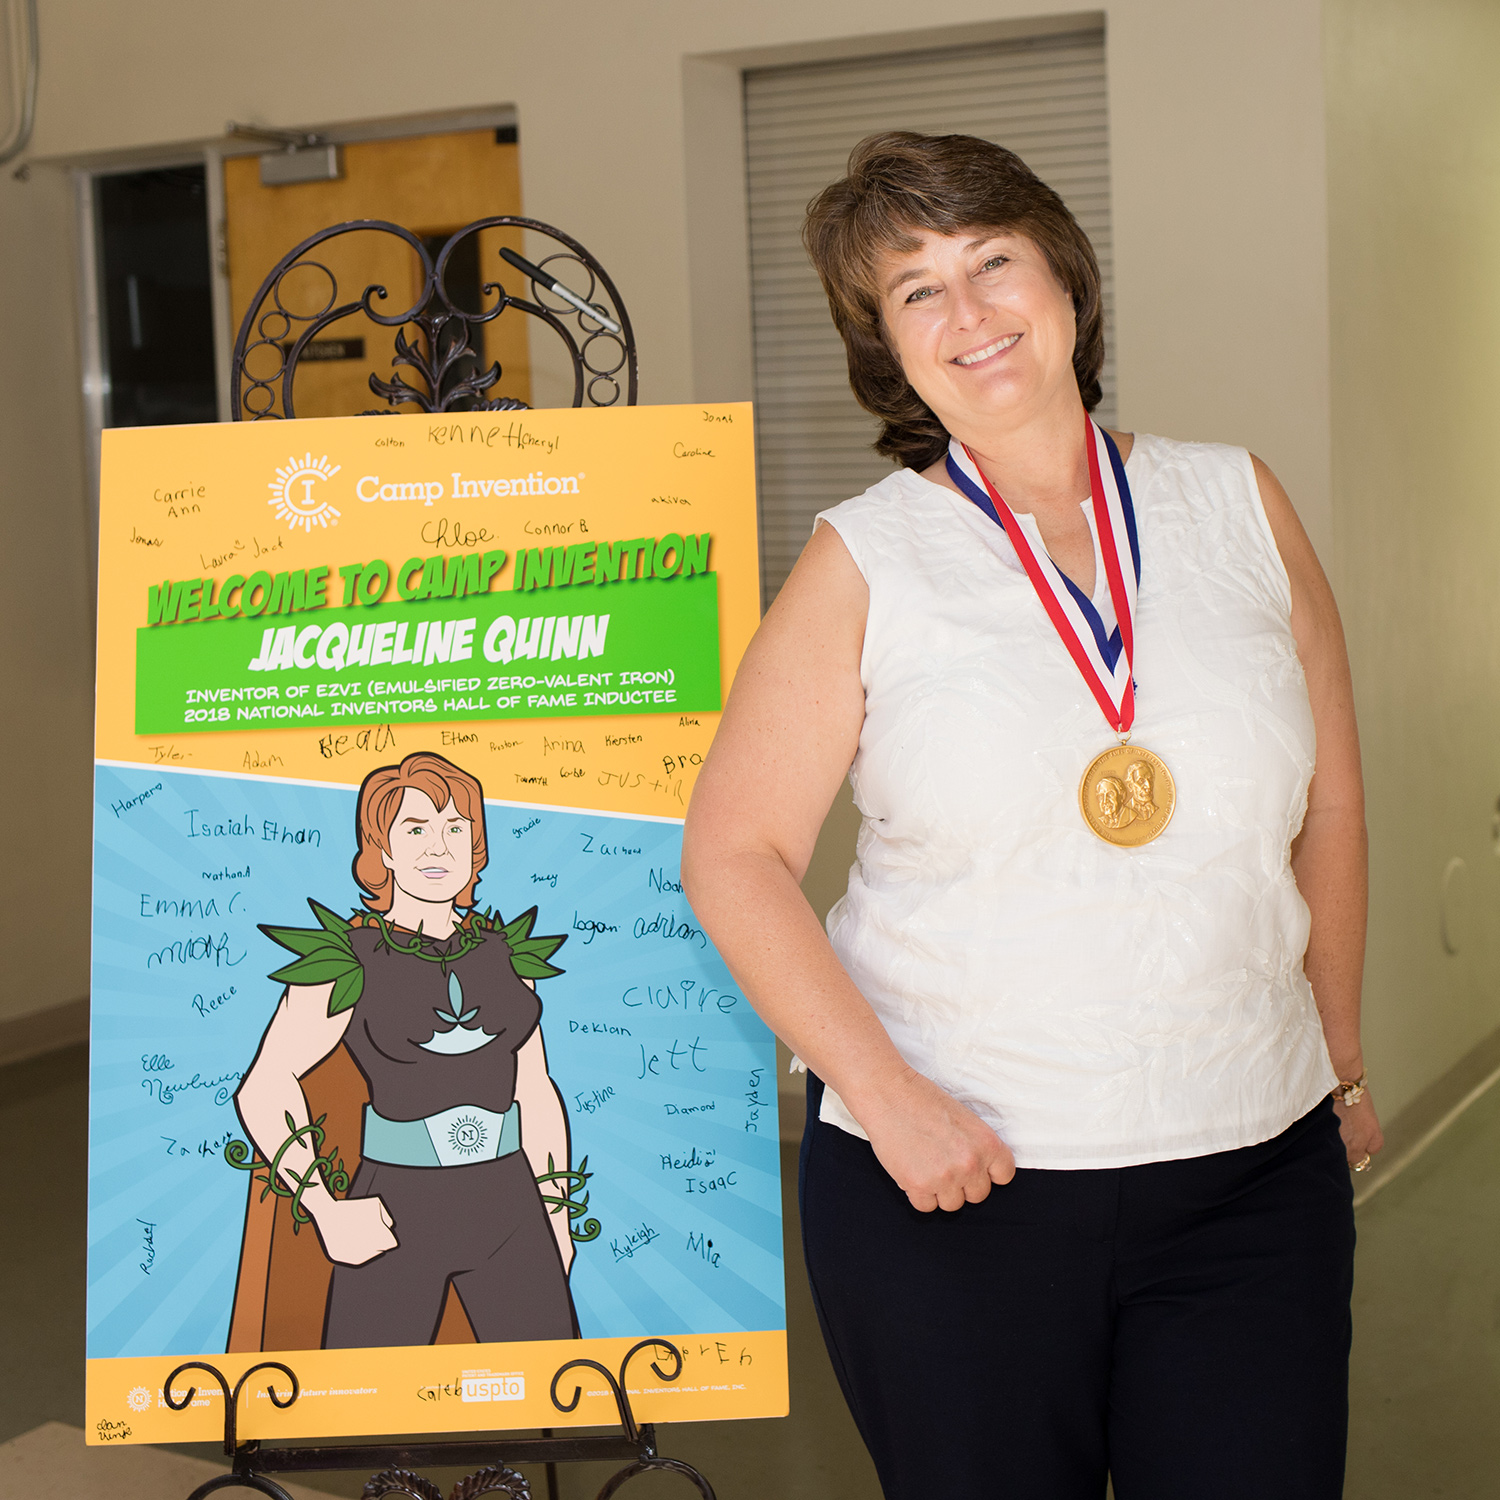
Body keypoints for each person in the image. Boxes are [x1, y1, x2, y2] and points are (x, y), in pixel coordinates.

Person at [682, 132, 1383, 1499]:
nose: (970, 312)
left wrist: (1340, 1057)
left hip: (1251, 1178)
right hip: (964, 1190)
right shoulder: (864, 558)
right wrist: (885, 1103)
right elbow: (735, 854)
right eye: (916, 290)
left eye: (992, 259)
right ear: (886, 347)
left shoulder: (1236, 501)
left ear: (1064, 276)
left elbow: (1333, 801)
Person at [234, 750, 578, 1349]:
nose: (438, 848)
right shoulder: (348, 960)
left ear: (476, 844)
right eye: (414, 829)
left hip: (511, 1206)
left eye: (454, 828)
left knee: (559, 1401)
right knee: (359, 1418)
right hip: (395, 1211)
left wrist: (556, 1211)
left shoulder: (507, 956)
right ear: (382, 850)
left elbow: (535, 1089)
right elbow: (264, 1086)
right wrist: (325, 1208)